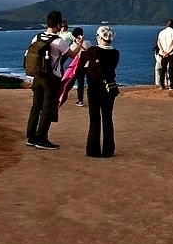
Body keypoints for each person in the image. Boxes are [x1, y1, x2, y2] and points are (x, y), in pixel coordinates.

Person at [26, 10, 85, 150]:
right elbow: (72, 54)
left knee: (36, 106)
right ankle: (41, 138)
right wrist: (80, 43)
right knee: (47, 108)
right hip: (51, 78)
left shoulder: (37, 37)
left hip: (37, 77)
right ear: (59, 24)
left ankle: (31, 137)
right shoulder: (59, 41)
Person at [84, 26, 120, 158]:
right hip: (109, 88)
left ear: (99, 37)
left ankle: (93, 149)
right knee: (107, 118)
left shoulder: (91, 51)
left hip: (94, 88)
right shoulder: (116, 53)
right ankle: (108, 150)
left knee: (94, 118)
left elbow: (83, 65)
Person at [71, 27, 92, 107]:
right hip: (89, 65)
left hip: (79, 66)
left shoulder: (73, 46)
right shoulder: (88, 43)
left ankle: (80, 100)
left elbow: (72, 55)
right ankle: (92, 99)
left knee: (80, 83)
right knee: (90, 83)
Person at [156, 20, 173, 90]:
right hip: (171, 53)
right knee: (171, 69)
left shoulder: (161, 32)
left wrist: (163, 51)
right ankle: (171, 85)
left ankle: (162, 84)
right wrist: (169, 52)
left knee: (163, 69)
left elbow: (158, 43)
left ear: (167, 24)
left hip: (163, 54)